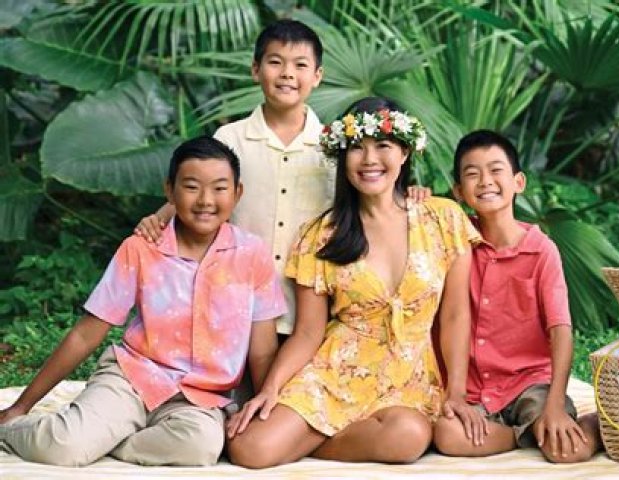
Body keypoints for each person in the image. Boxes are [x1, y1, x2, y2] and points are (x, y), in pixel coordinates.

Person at [223, 97, 484, 469]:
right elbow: (308, 332)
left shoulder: (443, 219)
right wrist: (271, 389)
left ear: (405, 152)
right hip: (334, 371)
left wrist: (456, 392)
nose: (369, 159)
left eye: (383, 145)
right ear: (342, 157)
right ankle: (328, 433)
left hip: (406, 379)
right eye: (357, 148)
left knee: (407, 435)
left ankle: (316, 439)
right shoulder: (321, 235)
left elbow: (456, 316)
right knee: (250, 449)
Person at [0, 136, 286, 467]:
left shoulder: (252, 254)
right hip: (132, 379)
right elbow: (87, 333)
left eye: (219, 188)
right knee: (64, 447)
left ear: (237, 193)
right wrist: (21, 406)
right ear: (170, 191)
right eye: (191, 187)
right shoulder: (141, 249)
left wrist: (262, 413)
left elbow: (262, 350)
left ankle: (112, 443)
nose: (206, 200)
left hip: (199, 398)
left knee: (201, 446)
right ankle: (12, 431)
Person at [136, 20, 428, 338]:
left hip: (309, 315)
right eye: (275, 62)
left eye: (300, 65)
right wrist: (158, 219)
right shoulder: (230, 139)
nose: (287, 73)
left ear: (317, 76)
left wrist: (407, 193)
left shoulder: (335, 147)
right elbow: (199, 195)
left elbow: (369, 197)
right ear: (256, 70)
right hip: (233, 306)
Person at [432, 129, 601, 463]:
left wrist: (555, 405)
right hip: (473, 388)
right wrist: (417, 194)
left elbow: (561, 331)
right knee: (448, 435)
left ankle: (595, 423)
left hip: (529, 383)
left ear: (518, 182)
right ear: (459, 192)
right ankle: (519, 435)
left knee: (567, 451)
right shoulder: (452, 238)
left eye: (496, 170)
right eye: (472, 174)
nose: (485, 181)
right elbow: (407, 215)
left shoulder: (542, 251)